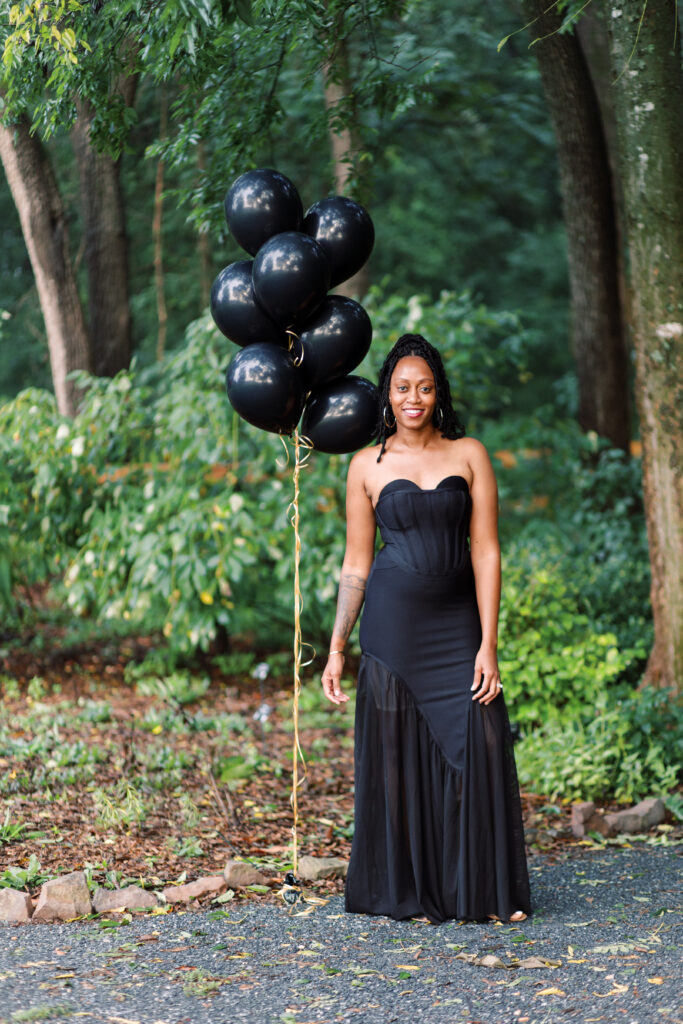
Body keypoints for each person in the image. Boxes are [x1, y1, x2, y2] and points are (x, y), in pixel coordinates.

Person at [320, 334, 532, 924]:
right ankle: (408, 893)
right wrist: (336, 647)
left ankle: (484, 893)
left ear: (438, 394)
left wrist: (489, 642)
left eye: (425, 387)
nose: (414, 397)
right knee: (398, 758)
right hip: (392, 629)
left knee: (481, 735)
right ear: (387, 395)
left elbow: (486, 551)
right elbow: (356, 564)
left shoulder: (470, 454)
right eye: (402, 388)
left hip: (458, 622)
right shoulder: (367, 465)